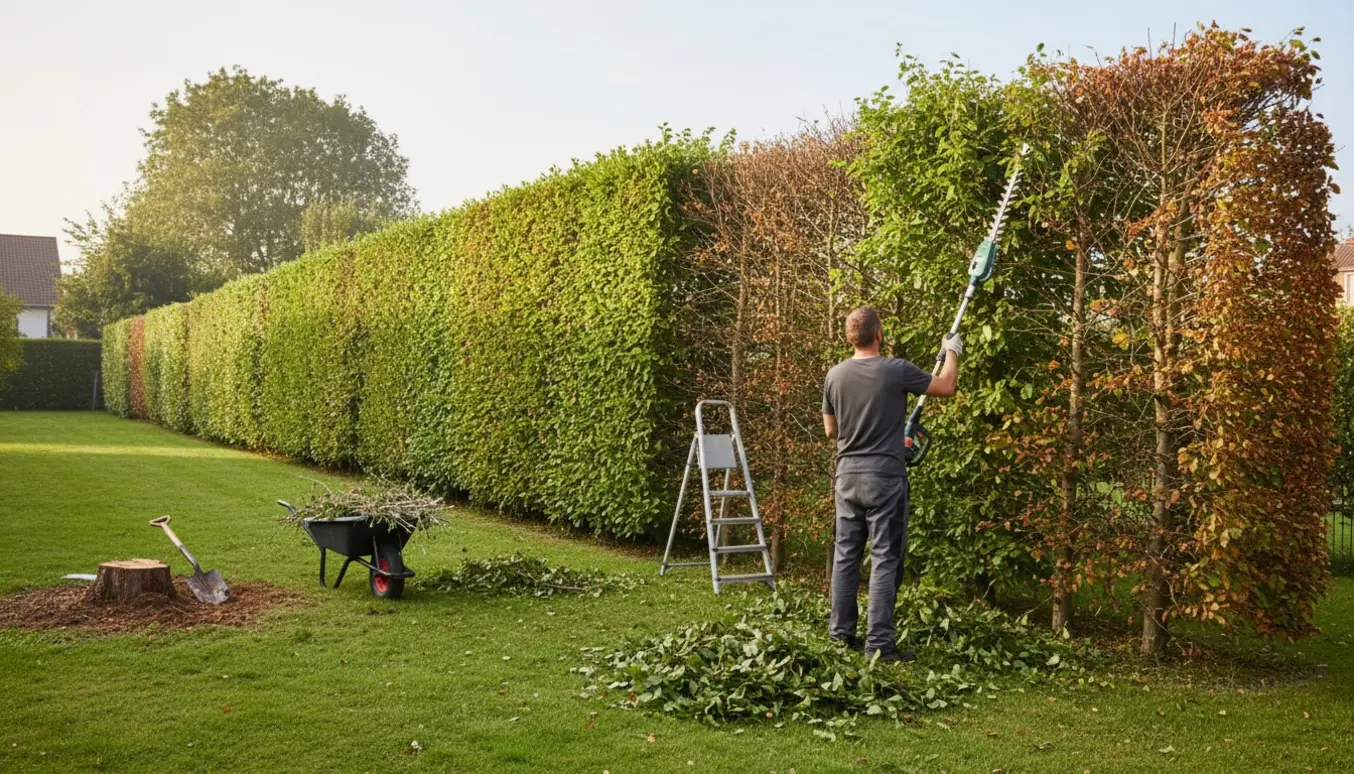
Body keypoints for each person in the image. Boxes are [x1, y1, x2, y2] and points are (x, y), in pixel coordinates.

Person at [822, 306, 960, 662]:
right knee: (884, 559)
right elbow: (946, 386)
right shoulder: (896, 370)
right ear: (879, 335)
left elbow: (831, 431)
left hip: (846, 477)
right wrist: (953, 351)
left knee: (846, 556)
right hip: (884, 477)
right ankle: (879, 646)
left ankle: (840, 637)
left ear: (850, 337)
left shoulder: (834, 376)